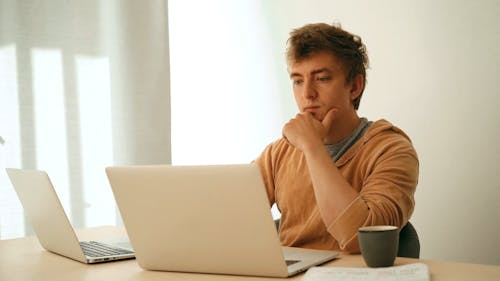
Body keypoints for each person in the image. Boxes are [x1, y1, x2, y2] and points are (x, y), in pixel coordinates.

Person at [254, 22, 419, 253]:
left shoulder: (391, 150)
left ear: (354, 87)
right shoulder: (278, 153)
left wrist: (312, 148)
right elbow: (229, 219)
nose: (307, 94)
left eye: (321, 79)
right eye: (298, 81)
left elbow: (361, 239)